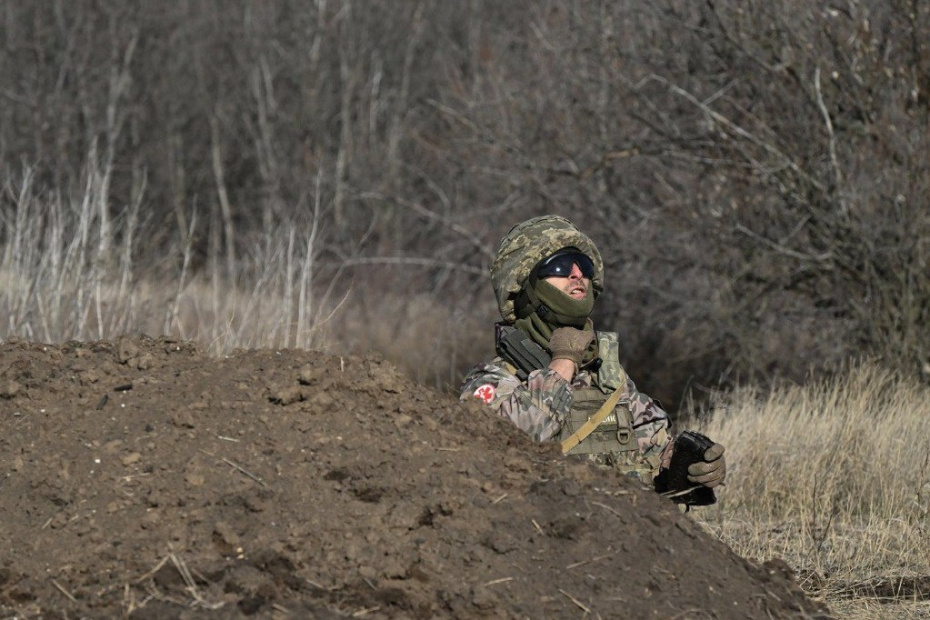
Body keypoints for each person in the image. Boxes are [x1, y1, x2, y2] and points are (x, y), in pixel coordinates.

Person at [460, 215, 726, 497]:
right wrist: (562, 364)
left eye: (583, 266)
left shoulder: (605, 376)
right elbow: (501, 454)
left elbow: (654, 453)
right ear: (526, 288)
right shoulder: (493, 381)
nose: (577, 275)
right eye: (560, 266)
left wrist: (688, 467)